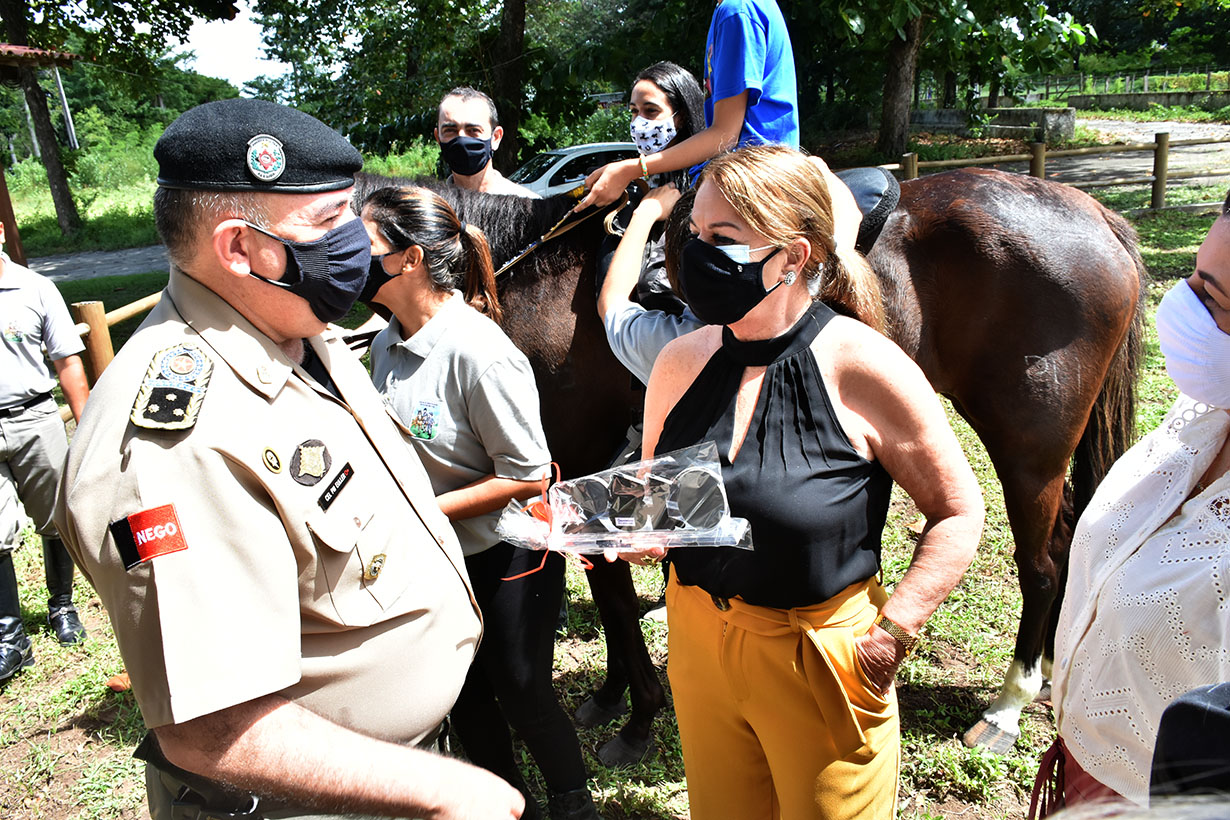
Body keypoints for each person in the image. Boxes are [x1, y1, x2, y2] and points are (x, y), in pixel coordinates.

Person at [54, 98, 524, 820]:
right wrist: (443, 789)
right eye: (329, 221)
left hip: (386, 765)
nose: (356, 244)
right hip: (308, 801)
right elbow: (210, 730)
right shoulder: (172, 446)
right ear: (241, 249)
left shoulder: (297, 326)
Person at [619, 144, 984, 820]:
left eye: (722, 239)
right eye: (694, 234)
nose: (696, 255)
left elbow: (959, 512)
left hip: (820, 655)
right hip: (699, 643)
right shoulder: (679, 362)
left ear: (796, 255)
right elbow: (660, 503)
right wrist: (609, 527)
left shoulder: (864, 365)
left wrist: (894, 631)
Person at [358, 185, 599, 820]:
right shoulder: (386, 343)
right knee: (460, 692)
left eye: (365, 244)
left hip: (505, 552)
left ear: (409, 259)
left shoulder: (479, 352)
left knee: (522, 690)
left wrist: (420, 513)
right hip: (439, 556)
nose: (346, 256)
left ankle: (573, 802)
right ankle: (507, 804)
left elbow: (528, 474)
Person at [1033, 196, 1230, 815]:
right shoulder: (1204, 410)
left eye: (1216, 300)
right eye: (1195, 277)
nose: (1182, 306)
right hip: (1087, 764)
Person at [576, 0, 798, 211]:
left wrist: (630, 169)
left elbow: (725, 134)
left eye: (651, 110)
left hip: (753, 189)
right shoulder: (733, 10)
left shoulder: (737, 11)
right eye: (634, 111)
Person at [0, 220, 90, 682]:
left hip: (34, 418)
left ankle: (62, 607)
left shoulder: (33, 289)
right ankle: (10, 637)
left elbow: (68, 361)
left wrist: (90, 428)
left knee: (55, 519)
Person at [436, 87, 540, 198]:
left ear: (495, 137)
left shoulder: (527, 206)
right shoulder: (429, 208)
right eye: (450, 131)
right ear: (438, 137)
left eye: (473, 130)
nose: (461, 138)